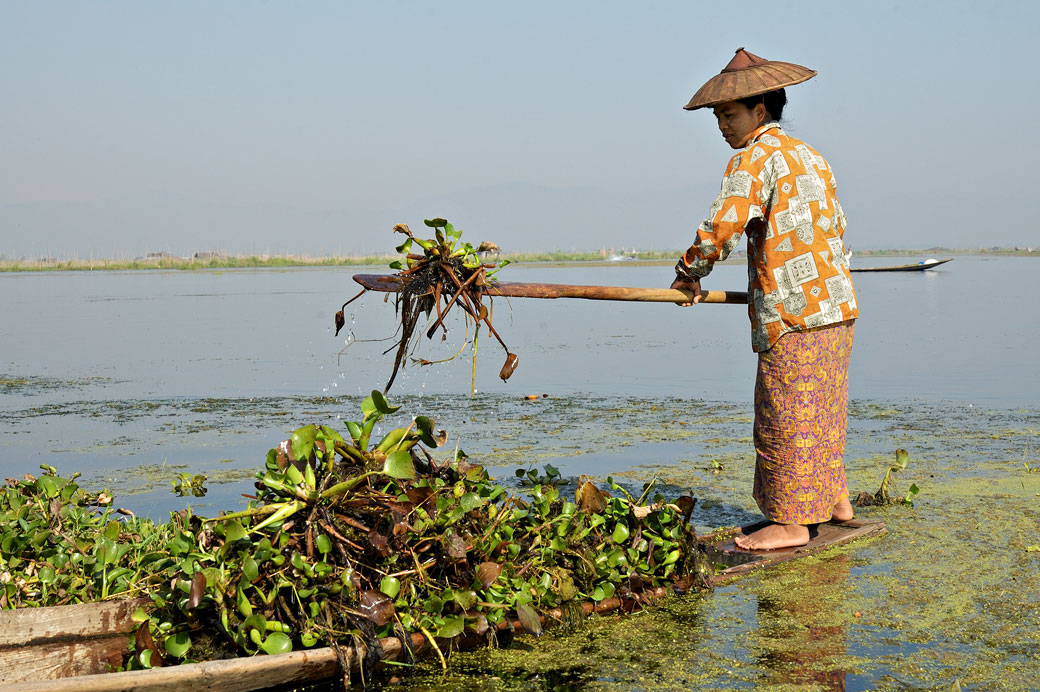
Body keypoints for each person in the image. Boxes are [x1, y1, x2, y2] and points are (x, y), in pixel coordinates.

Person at [671, 48, 859, 551]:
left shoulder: (754, 158)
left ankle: (793, 522)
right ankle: (835, 498)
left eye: (728, 114)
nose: (721, 125)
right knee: (823, 407)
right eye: (717, 116)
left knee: (787, 413)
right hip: (836, 305)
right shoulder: (810, 156)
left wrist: (689, 274)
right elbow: (837, 227)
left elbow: (721, 226)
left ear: (760, 112)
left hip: (794, 313)